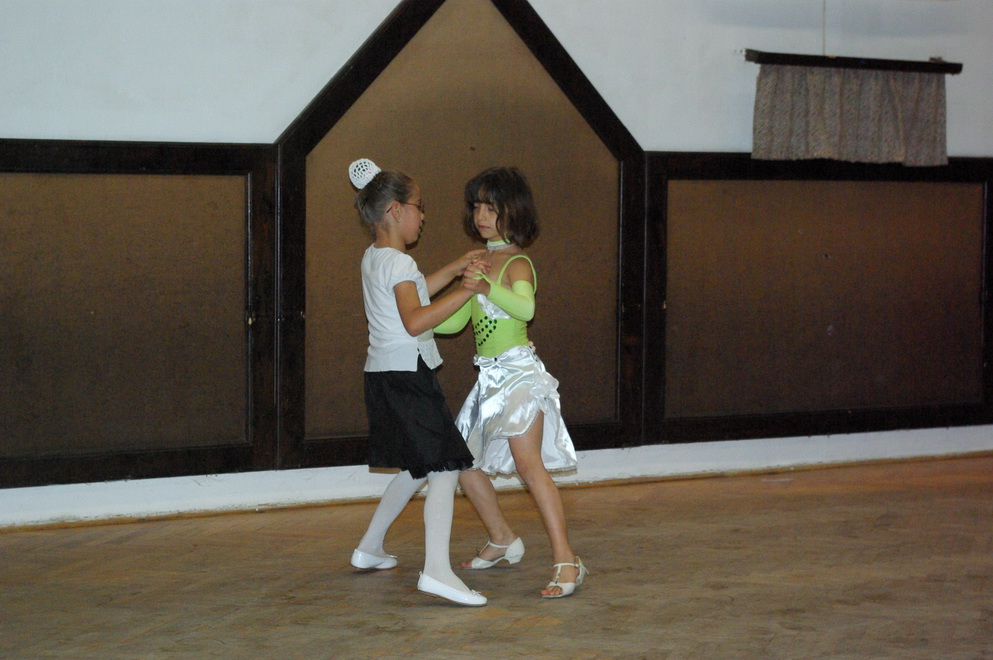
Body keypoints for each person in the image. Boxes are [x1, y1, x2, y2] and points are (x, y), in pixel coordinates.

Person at [435, 166, 588, 598]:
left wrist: (485, 284)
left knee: (529, 467)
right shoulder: (481, 262)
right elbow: (457, 322)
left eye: (492, 208)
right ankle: (502, 538)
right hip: (489, 380)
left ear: (513, 211)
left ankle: (567, 560)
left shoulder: (518, 262)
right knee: (462, 464)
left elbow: (525, 309)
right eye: (477, 207)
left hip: (519, 375)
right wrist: (416, 320)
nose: (482, 216)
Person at [346, 157, 487, 607]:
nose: (423, 216)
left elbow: (410, 290)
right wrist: (466, 289)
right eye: (419, 206)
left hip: (383, 375)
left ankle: (370, 547)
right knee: (444, 467)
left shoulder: (376, 257)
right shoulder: (400, 262)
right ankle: (438, 571)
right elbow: (415, 319)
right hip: (407, 376)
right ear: (395, 210)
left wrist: (452, 268)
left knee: (418, 467)